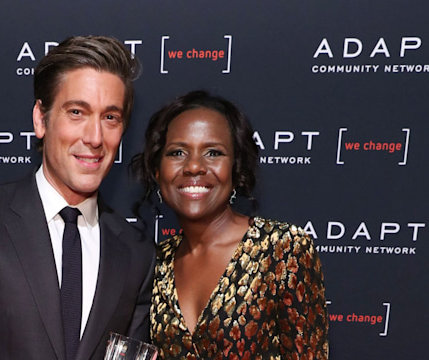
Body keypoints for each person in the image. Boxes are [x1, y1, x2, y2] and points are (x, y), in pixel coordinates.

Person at [0, 35, 155, 360]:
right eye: (77, 112)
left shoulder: (136, 253)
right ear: (40, 119)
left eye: (110, 117)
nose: (94, 137)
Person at [131, 90, 328, 359]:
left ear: (236, 169)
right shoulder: (157, 261)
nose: (194, 166)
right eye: (177, 152)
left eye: (213, 152)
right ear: (157, 171)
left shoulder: (282, 249)